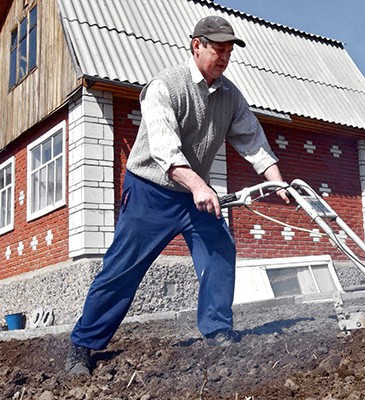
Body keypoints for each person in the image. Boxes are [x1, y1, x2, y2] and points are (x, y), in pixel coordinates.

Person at [65, 15, 289, 376]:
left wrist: (277, 181)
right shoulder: (165, 86)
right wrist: (199, 185)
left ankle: (216, 330)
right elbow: (165, 151)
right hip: (150, 191)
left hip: (193, 193)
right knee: (123, 267)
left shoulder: (230, 95)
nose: (224, 56)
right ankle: (84, 344)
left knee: (219, 249)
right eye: (218, 48)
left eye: (229, 51)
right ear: (196, 45)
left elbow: (253, 140)